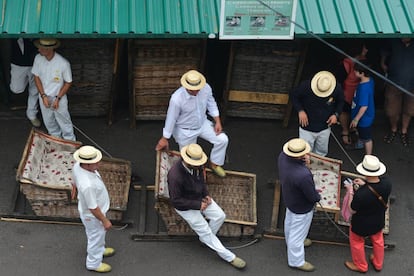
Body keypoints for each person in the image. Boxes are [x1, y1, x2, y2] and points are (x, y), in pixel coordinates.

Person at [167, 143, 246, 269]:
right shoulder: (175, 176)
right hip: (186, 207)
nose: (200, 165)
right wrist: (198, 205)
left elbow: (201, 181)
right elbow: (176, 201)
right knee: (205, 230)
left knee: (220, 216)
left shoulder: (196, 165)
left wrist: (206, 194)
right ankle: (229, 257)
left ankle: (206, 239)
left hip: (199, 198)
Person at [155, 70, 228, 177]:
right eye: (192, 90)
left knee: (223, 139)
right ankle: (190, 178)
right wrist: (165, 138)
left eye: (197, 89)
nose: (195, 92)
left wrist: (217, 121)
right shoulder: (177, 98)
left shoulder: (206, 88)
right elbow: (171, 118)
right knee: (190, 160)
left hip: (202, 124)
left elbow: (211, 103)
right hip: (185, 130)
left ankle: (214, 164)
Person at [278, 138, 321, 272]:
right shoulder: (303, 175)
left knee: (290, 223)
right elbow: (312, 196)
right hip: (302, 206)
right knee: (298, 231)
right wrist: (318, 197)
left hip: (290, 198)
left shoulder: (282, 157)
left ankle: (290, 241)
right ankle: (296, 261)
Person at [344, 155, 392, 273]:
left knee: (357, 242)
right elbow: (374, 186)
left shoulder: (361, 194)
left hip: (361, 224)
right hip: (378, 219)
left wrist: (350, 191)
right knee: (378, 240)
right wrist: (365, 184)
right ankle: (378, 263)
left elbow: (352, 209)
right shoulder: (387, 183)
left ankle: (361, 265)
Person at [73, 145, 115, 273]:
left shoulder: (77, 166)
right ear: (86, 164)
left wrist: (74, 189)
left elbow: (74, 181)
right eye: (95, 162)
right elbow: (93, 208)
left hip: (94, 213)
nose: (99, 162)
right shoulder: (88, 185)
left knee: (97, 235)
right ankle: (93, 263)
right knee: (95, 237)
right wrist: (105, 220)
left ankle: (100, 250)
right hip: (93, 216)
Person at [31, 38, 76, 141]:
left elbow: (68, 82)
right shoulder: (38, 58)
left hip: (59, 96)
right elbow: (36, 77)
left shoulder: (63, 63)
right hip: (44, 96)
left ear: (49, 49)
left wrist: (58, 98)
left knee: (64, 122)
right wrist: (43, 96)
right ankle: (55, 139)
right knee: (49, 121)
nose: (38, 50)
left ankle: (70, 141)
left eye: (41, 48)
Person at [291, 71, 344, 156]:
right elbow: (294, 96)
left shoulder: (337, 87)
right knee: (305, 153)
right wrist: (300, 110)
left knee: (321, 153)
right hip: (306, 126)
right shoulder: (305, 86)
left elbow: (341, 101)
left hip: (325, 127)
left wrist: (336, 114)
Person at [381, 38, 414, 147]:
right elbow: (384, 53)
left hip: (412, 84)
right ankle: (393, 129)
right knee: (391, 110)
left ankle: (404, 131)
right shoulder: (393, 40)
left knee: (410, 110)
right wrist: (383, 63)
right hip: (394, 82)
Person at [334, 41, 368, 145]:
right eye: (364, 48)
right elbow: (339, 80)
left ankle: (353, 128)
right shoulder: (346, 63)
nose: (366, 50)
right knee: (345, 111)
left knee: (357, 111)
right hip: (347, 93)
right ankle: (345, 131)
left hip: (359, 93)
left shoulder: (365, 62)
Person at [9, 38, 40, 127]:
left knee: (35, 90)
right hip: (17, 63)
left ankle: (32, 115)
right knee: (16, 89)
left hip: (35, 63)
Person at [350, 61, 375, 154]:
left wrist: (356, 119)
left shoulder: (364, 88)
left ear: (362, 73)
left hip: (363, 118)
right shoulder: (370, 80)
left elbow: (364, 106)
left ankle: (368, 157)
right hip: (364, 115)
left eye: (356, 71)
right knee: (361, 133)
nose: (354, 72)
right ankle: (359, 144)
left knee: (367, 138)